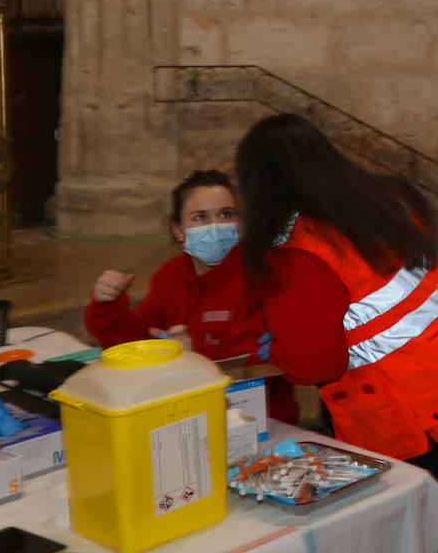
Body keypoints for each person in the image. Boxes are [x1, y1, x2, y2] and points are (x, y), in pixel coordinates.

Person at [233, 113, 438, 499]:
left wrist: (278, 347)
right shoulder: (385, 199)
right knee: (428, 522)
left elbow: (315, 364)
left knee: (408, 530)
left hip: (427, 415)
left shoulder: (299, 252)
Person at [83, 170, 297, 422]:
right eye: (200, 217)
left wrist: (193, 357)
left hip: (258, 418)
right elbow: (134, 342)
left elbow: (261, 368)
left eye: (226, 214)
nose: (215, 226)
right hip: (187, 412)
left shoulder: (261, 274)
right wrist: (107, 306)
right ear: (178, 230)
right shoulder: (171, 274)